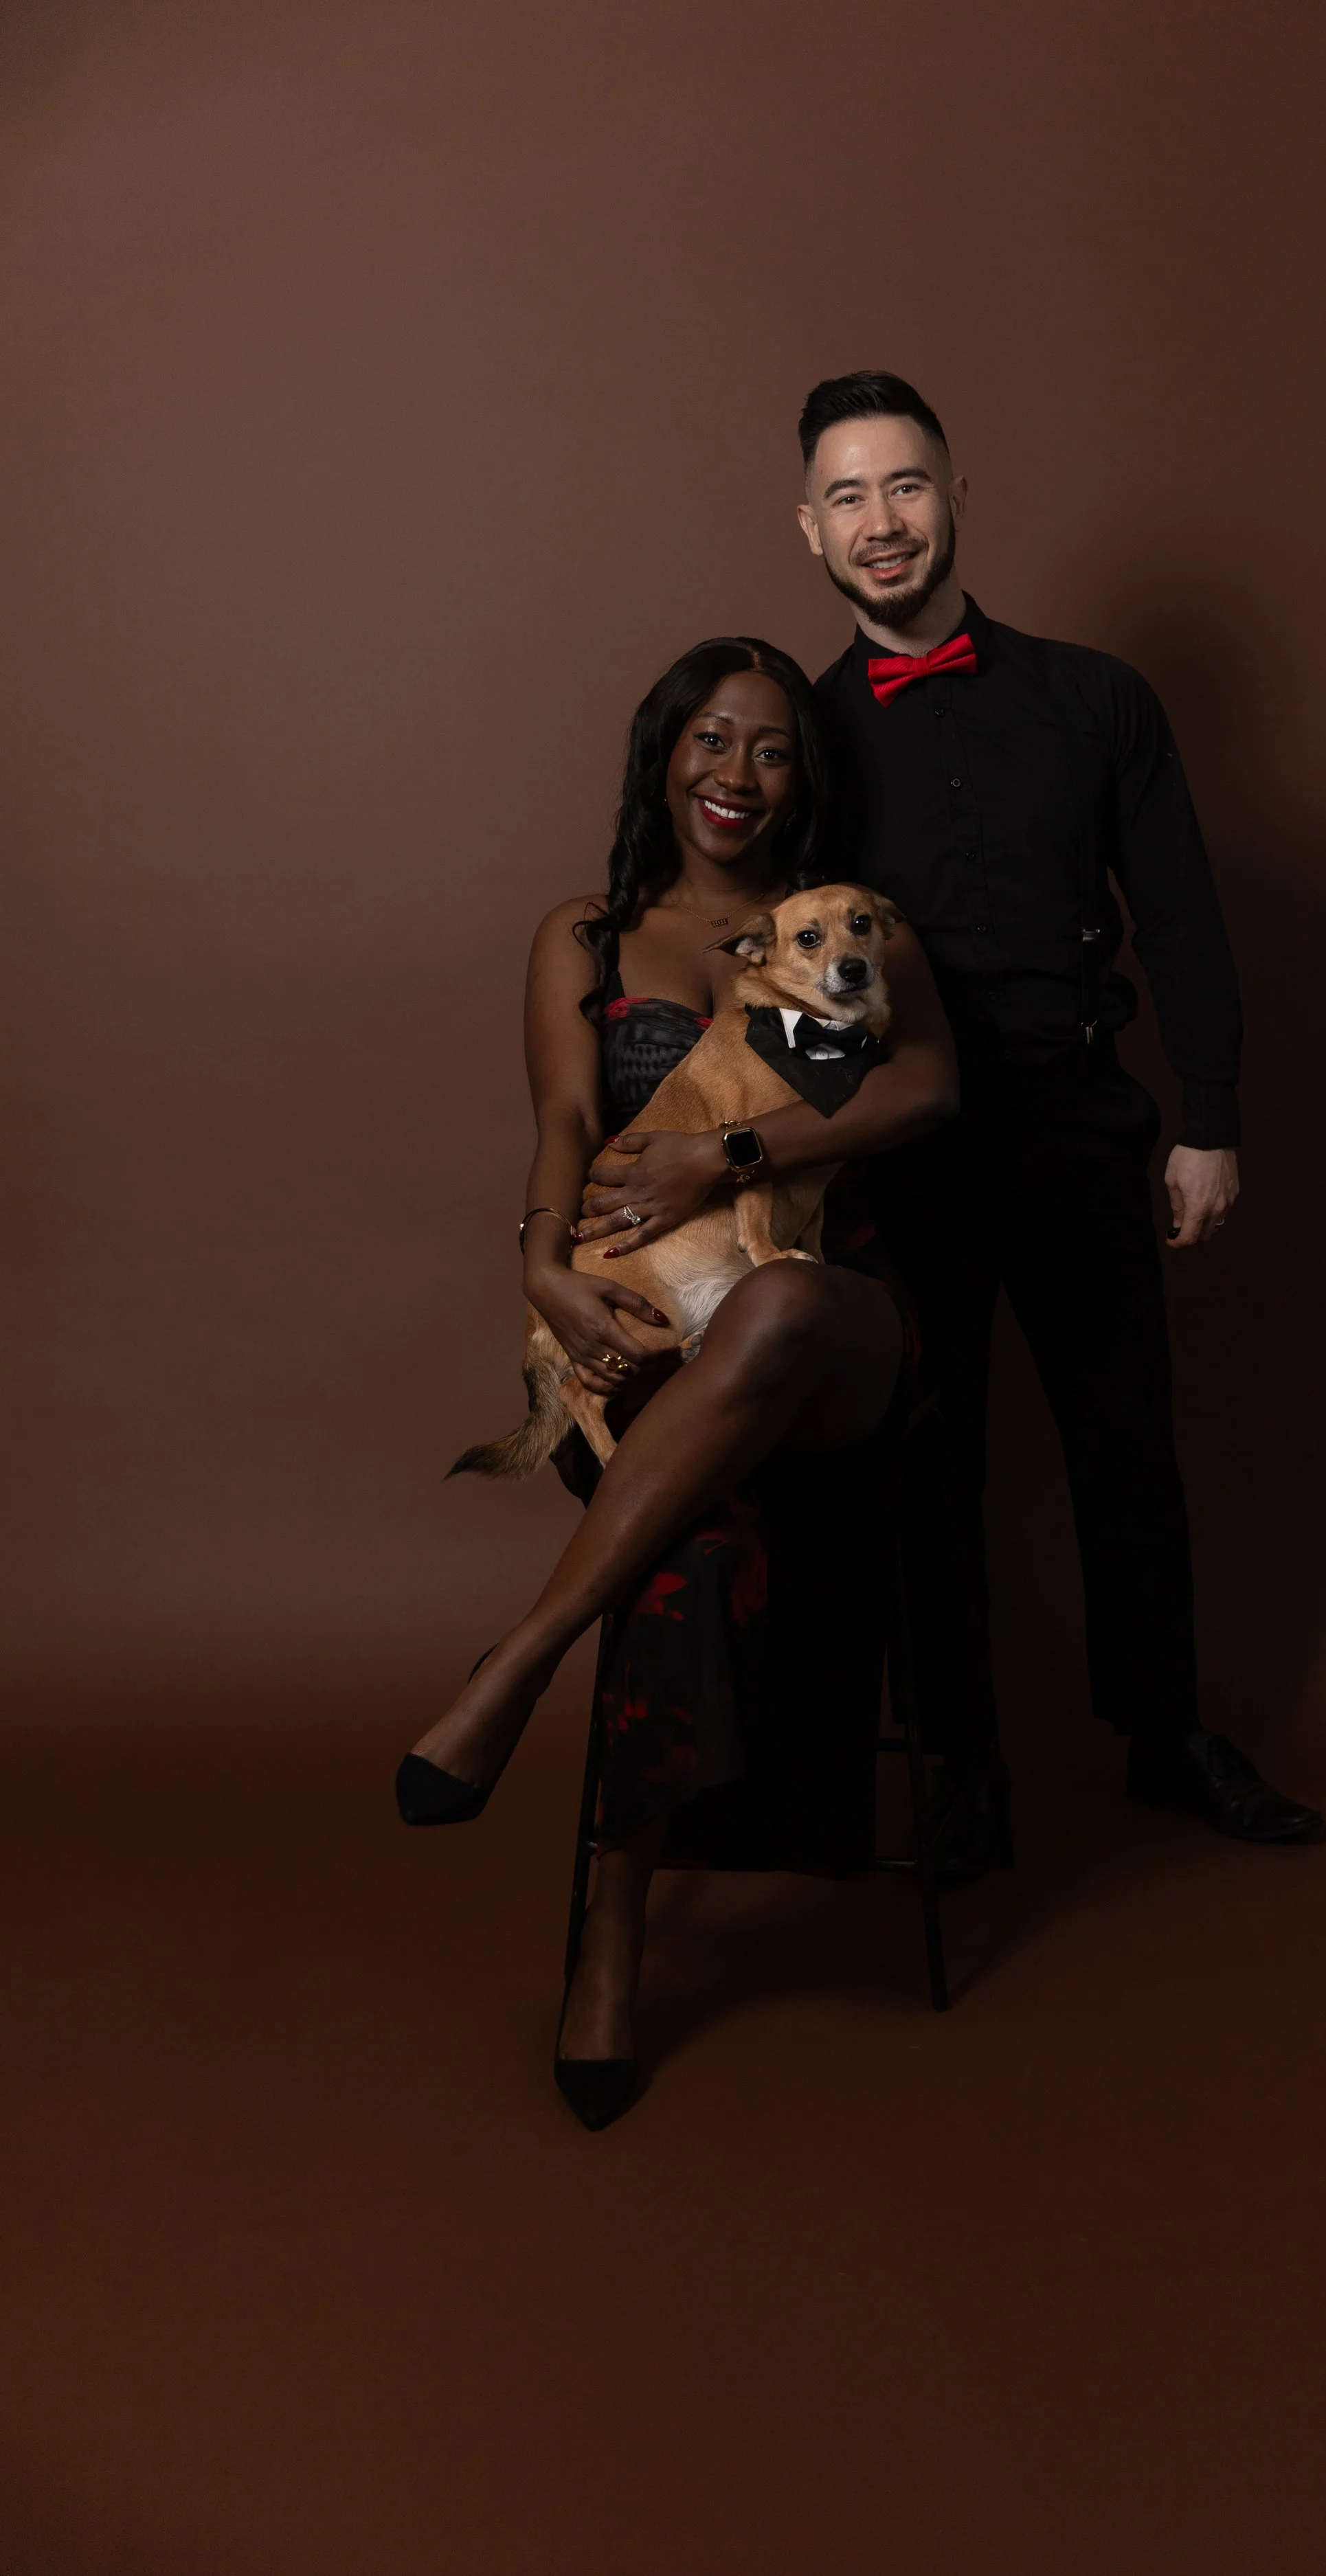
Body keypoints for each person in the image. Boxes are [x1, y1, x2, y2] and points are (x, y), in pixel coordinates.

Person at [398, 636, 958, 2127]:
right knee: (680, 1553)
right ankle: (612, 1949)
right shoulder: (582, 937)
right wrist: (538, 1267)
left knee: (775, 1307)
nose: (736, 773)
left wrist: (735, 1151)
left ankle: (509, 1666)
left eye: (771, 748)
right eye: (710, 739)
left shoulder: (837, 922)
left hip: (832, 1326)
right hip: (653, 1339)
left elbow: (925, 1085)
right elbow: (565, 1124)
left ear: (802, 779)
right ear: (663, 752)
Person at [794, 371, 1323, 1859]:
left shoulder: (1099, 699)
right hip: (899, 1152)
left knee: (1125, 1446)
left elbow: (1180, 918)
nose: (881, 522)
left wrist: (1204, 1115)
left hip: (1079, 1124)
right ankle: (963, 1768)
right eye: (847, 496)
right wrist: (796, 1145)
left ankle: (1164, 1731)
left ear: (957, 494)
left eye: (903, 485)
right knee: (924, 1462)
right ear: (807, 532)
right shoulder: (798, 738)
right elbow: (750, 957)